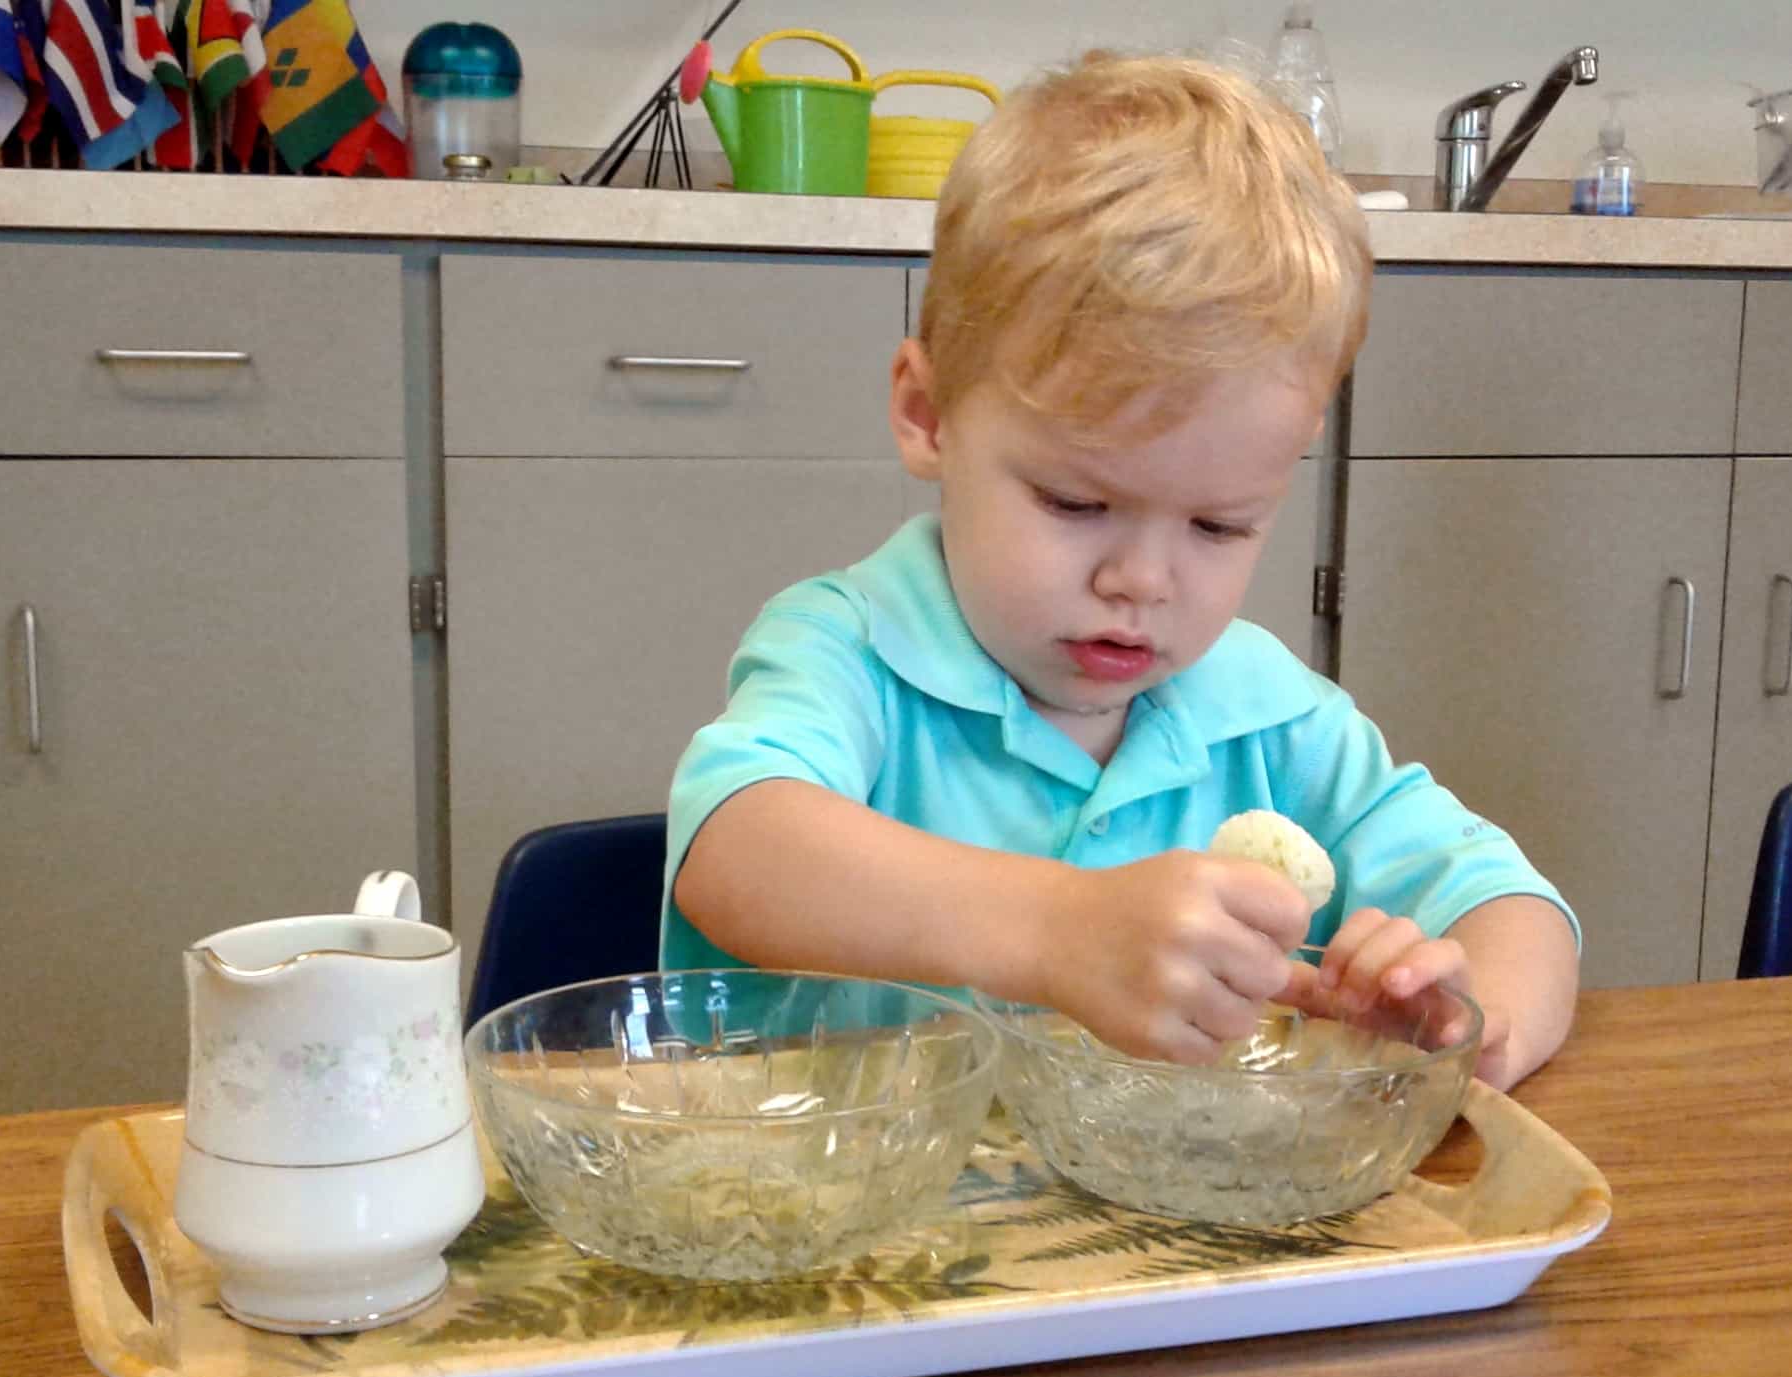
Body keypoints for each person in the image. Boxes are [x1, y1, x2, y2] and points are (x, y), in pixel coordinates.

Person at [660, 52, 1580, 1090]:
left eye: (1219, 526)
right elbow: (735, 851)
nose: (1142, 581)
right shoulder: (850, 651)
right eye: (1076, 504)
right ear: (928, 415)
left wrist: (1470, 1022)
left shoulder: (1269, 717)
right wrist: (1062, 930)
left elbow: (1512, 905)